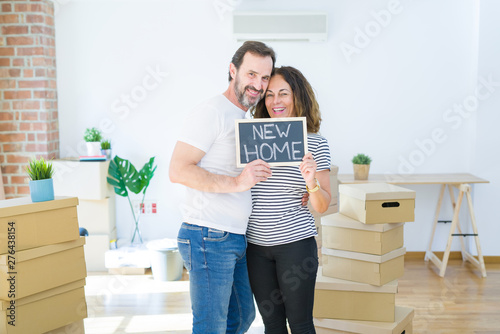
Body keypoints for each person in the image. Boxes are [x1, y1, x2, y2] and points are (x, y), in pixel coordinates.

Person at [169, 41, 276, 333]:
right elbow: (178, 170)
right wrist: (238, 182)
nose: (258, 84)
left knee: (241, 318)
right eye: (252, 74)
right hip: (208, 235)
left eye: (265, 77)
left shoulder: (244, 118)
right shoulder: (212, 112)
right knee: (210, 326)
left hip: (235, 238)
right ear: (233, 70)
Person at [247, 66, 332, 333]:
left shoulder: (316, 143)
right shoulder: (250, 141)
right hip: (255, 248)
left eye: (283, 93)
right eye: (269, 95)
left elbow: (322, 205)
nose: (275, 102)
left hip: (296, 246)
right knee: (271, 324)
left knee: (300, 324)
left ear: (298, 97)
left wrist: (311, 181)